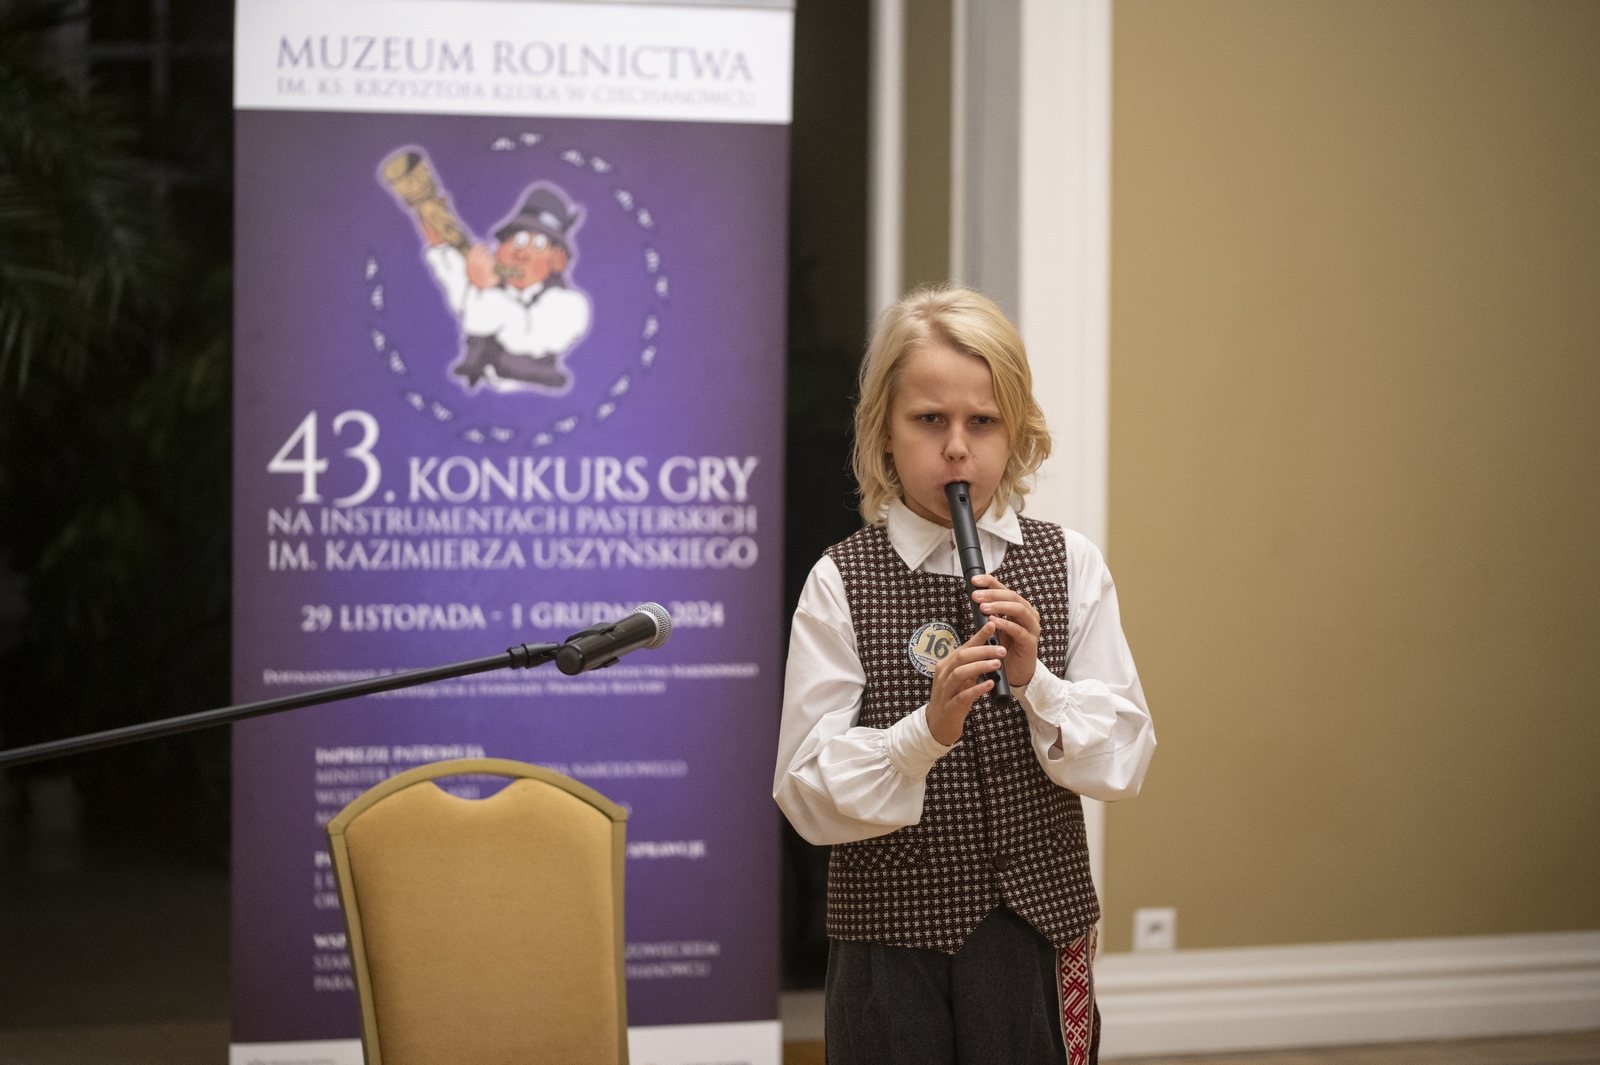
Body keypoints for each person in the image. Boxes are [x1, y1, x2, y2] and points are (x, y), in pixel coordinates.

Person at [774, 286, 1155, 1065]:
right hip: (889, 946)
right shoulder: (840, 580)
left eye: (982, 421)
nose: (956, 447)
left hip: (1039, 931)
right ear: (884, 431)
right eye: (928, 420)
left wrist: (1038, 683)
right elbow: (805, 789)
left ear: (1016, 431)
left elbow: (1125, 757)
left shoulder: (1069, 563)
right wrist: (923, 732)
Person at [420, 183, 591, 392]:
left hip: (532, 397)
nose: (521, 254)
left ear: (558, 260)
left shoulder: (569, 305)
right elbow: (460, 287)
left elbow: (522, 335)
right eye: (517, 241)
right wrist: (442, 245)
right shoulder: (497, 283)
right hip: (477, 395)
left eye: (537, 246)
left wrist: (487, 287)